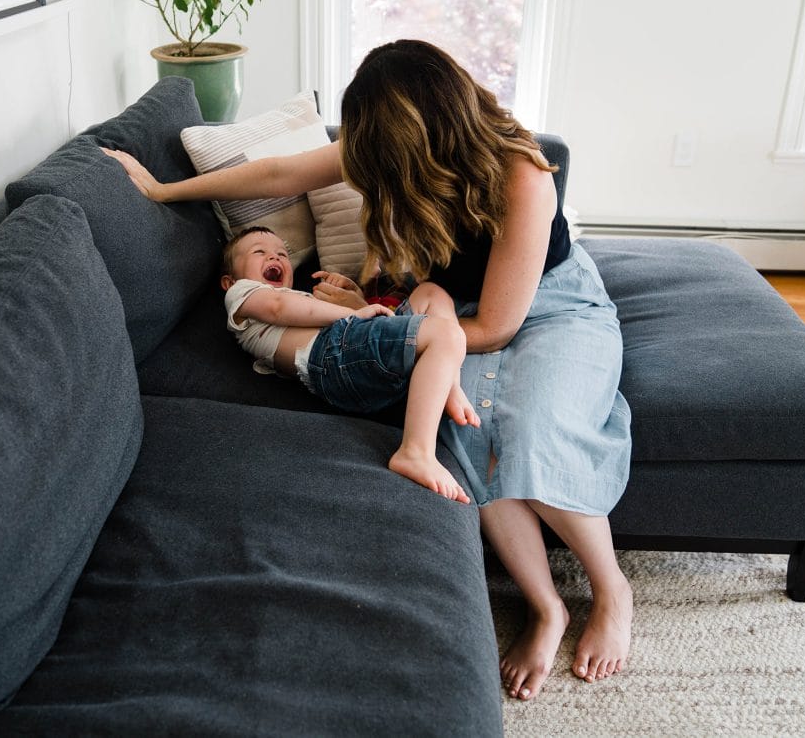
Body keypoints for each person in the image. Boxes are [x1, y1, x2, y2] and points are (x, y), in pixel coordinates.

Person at [104, 38, 633, 700]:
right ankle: (547, 605)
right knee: (471, 440)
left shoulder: (524, 173)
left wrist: (409, 334)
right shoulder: (391, 152)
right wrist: (162, 188)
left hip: (548, 306)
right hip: (450, 311)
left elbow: (497, 324)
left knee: (533, 430)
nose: (367, 166)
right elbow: (279, 175)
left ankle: (612, 591)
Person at [220, 225, 479, 505]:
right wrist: (355, 312)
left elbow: (306, 311)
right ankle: (416, 451)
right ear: (228, 282)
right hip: (332, 356)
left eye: (283, 253)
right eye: (260, 252)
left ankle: (447, 380)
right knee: (446, 335)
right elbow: (278, 307)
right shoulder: (241, 294)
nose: (275, 257)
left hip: (347, 354)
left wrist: (356, 298)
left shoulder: (299, 298)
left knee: (431, 292)